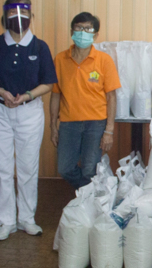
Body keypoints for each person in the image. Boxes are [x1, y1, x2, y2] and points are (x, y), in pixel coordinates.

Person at [0, 0, 57, 241]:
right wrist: (0, 92)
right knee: (1, 168)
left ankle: (26, 219)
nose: (18, 18)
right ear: (5, 15)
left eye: (24, 12)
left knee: (27, 167)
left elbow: (49, 83)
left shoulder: (40, 46)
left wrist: (27, 96)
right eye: (13, 13)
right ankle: (5, 221)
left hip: (29, 112)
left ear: (32, 16)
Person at [50, 12, 120, 189]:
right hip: (68, 123)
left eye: (88, 29)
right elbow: (55, 94)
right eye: (79, 28)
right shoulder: (60, 59)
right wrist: (52, 126)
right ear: (72, 31)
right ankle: (88, 194)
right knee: (65, 168)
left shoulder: (104, 60)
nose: (83, 32)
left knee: (90, 170)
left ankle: (86, 202)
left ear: (95, 35)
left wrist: (109, 131)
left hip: (96, 124)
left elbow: (111, 96)